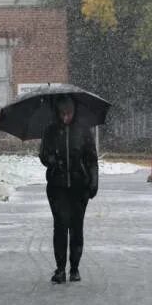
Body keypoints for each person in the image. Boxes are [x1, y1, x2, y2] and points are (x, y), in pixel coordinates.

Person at [38, 96, 99, 284]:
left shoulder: (83, 131)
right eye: (63, 114)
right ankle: (60, 269)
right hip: (57, 187)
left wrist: (93, 181)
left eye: (69, 114)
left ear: (74, 112)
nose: (66, 118)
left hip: (79, 186)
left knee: (76, 227)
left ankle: (74, 268)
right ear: (58, 113)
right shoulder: (50, 131)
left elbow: (92, 159)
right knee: (60, 226)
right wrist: (52, 160)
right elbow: (43, 155)